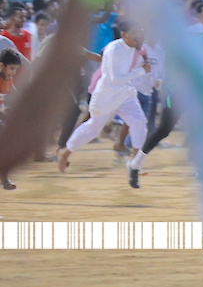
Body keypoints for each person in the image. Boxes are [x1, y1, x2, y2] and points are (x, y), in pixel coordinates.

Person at [57, 23, 152, 182]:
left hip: (124, 93)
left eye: (140, 32)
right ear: (124, 35)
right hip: (106, 96)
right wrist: (141, 71)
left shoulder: (133, 47)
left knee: (139, 121)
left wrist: (142, 63)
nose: (138, 36)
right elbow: (115, 80)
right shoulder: (113, 50)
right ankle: (64, 153)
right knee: (93, 129)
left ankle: (135, 164)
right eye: (135, 32)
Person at [0, 48, 22, 190]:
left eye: (16, 69)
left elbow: (15, 94)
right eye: (12, 68)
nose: (13, 72)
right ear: (2, 66)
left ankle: (4, 178)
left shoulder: (8, 79)